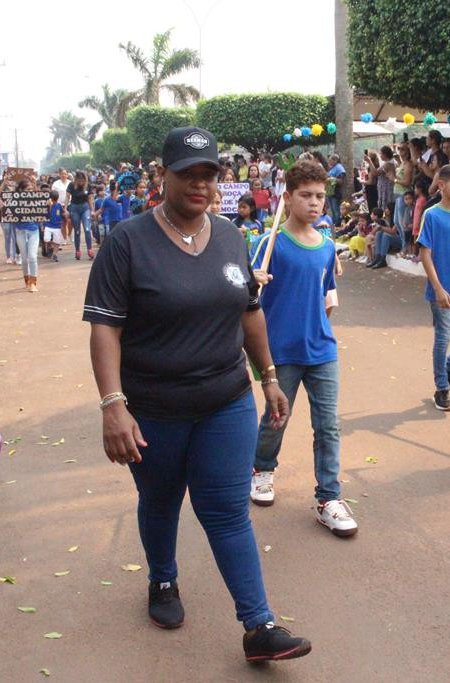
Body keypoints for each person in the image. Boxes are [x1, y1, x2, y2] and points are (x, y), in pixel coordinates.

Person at [83, 127, 311, 660]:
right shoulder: (128, 242)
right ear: (163, 175)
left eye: (209, 174)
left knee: (228, 509)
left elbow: (249, 311)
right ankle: (163, 580)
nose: (200, 184)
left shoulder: (232, 236)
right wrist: (112, 405)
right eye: (188, 173)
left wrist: (269, 377)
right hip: (155, 408)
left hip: (225, 400)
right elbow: (104, 329)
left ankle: (259, 627)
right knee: (160, 500)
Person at [247, 160, 357, 536]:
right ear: (287, 198)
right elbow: (246, 296)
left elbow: (327, 291)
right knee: (277, 418)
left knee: (328, 426)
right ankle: (262, 469)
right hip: (281, 351)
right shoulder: (268, 243)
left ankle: (329, 497)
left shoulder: (327, 246)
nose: (314, 203)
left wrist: (325, 312)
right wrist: (251, 280)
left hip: (322, 350)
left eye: (320, 197)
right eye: (306, 196)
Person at [417, 165, 450, 411]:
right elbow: (425, 254)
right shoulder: (432, 215)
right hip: (442, 288)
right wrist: (438, 288)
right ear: (441, 186)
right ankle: (441, 388)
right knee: (443, 337)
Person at [9, 180, 41, 292]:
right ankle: (27, 280)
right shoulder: (15, 201)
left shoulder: (37, 200)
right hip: (20, 231)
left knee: (32, 256)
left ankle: (33, 282)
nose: (30, 192)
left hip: (33, 230)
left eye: (31, 190)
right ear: (21, 190)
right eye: (27, 190)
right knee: (24, 258)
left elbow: (44, 210)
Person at [66, 171, 95, 260]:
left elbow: (90, 199)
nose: (81, 182)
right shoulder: (71, 185)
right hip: (74, 208)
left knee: (87, 229)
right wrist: (65, 208)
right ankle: (78, 250)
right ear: (76, 180)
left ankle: (90, 249)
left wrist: (92, 210)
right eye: (79, 180)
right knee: (77, 230)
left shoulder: (88, 186)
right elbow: (67, 197)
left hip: (85, 208)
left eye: (83, 180)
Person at [44, 189, 65, 262]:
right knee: (46, 239)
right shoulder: (47, 205)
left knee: (57, 241)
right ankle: (52, 246)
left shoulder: (59, 205)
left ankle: (55, 254)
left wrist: (66, 215)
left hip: (57, 226)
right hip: (48, 225)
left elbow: (63, 213)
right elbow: (46, 214)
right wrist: (49, 206)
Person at [326, 154, 346, 222]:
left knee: (336, 209)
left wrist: (331, 179)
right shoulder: (332, 168)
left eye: (330, 160)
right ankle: (334, 223)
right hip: (330, 192)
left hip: (336, 192)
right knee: (332, 210)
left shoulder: (339, 168)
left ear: (335, 160)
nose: (329, 162)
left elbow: (341, 181)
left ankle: (338, 223)